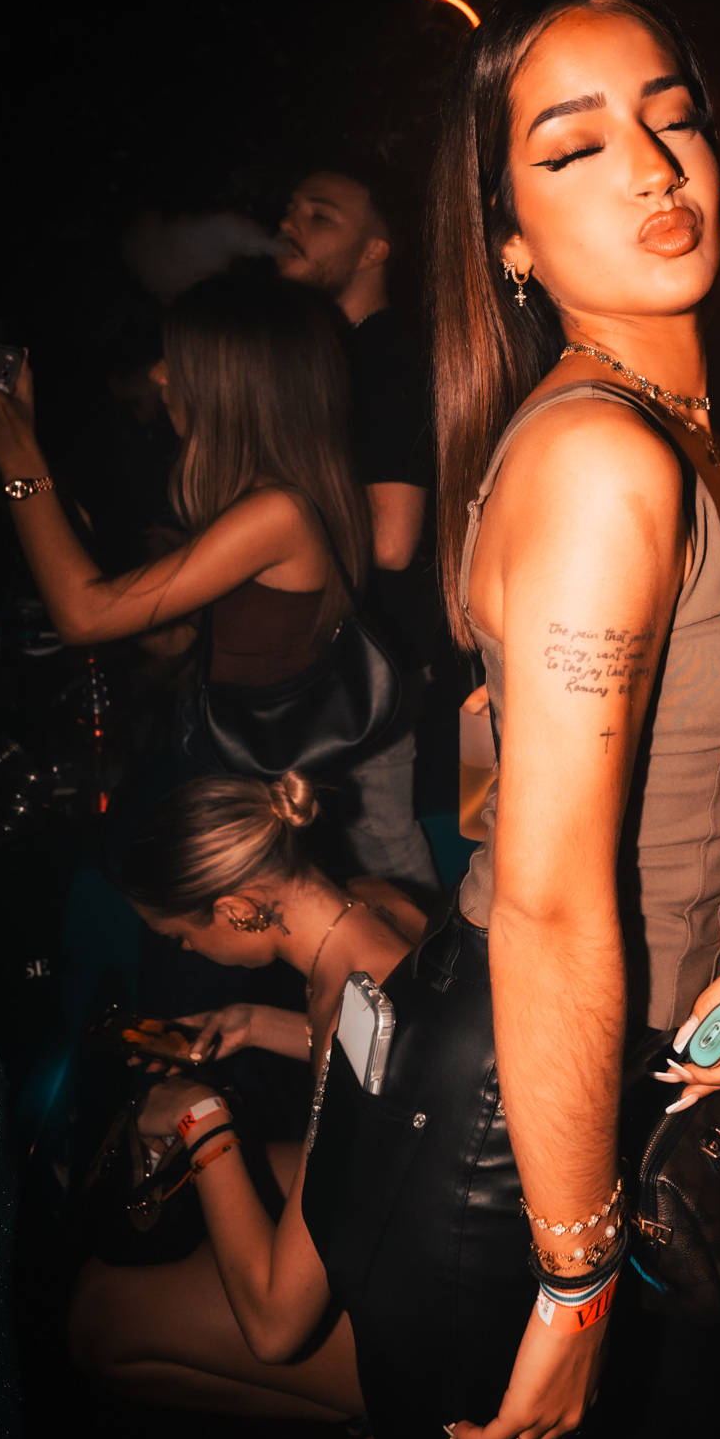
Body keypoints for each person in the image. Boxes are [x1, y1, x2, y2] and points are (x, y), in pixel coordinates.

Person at [302, 0, 720, 1439]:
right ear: (509, 240)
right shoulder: (605, 462)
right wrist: (574, 1276)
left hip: (599, 1082)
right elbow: (542, 897)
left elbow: (638, 751)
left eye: (670, 114)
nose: (652, 165)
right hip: (528, 1141)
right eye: (575, 144)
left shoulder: (665, 428)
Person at [67, 772, 420, 1439]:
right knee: (223, 1201)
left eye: (181, 937)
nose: (188, 952)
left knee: (95, 1320)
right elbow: (390, 1069)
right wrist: (256, 1022)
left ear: (234, 909)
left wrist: (202, 1117)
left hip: (452, 1334)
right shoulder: (378, 911)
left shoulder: (358, 1025)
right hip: (434, 1214)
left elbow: (274, 1327)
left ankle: (395, 1431)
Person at [0, 270, 372, 773]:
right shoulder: (262, 501)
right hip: (219, 757)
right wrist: (65, 519)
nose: (159, 374)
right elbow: (173, 639)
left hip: (250, 785)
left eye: (176, 358)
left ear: (231, 381)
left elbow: (83, 618)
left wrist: (20, 463)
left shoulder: (278, 512)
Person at [276, 169, 438, 897]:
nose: (290, 226)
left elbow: (391, 540)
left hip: (377, 656)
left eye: (320, 217)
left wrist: (261, 546)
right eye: (291, 211)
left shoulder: (385, 357)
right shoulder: (338, 355)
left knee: (382, 850)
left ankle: (429, 964)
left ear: (374, 251)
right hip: (348, 652)